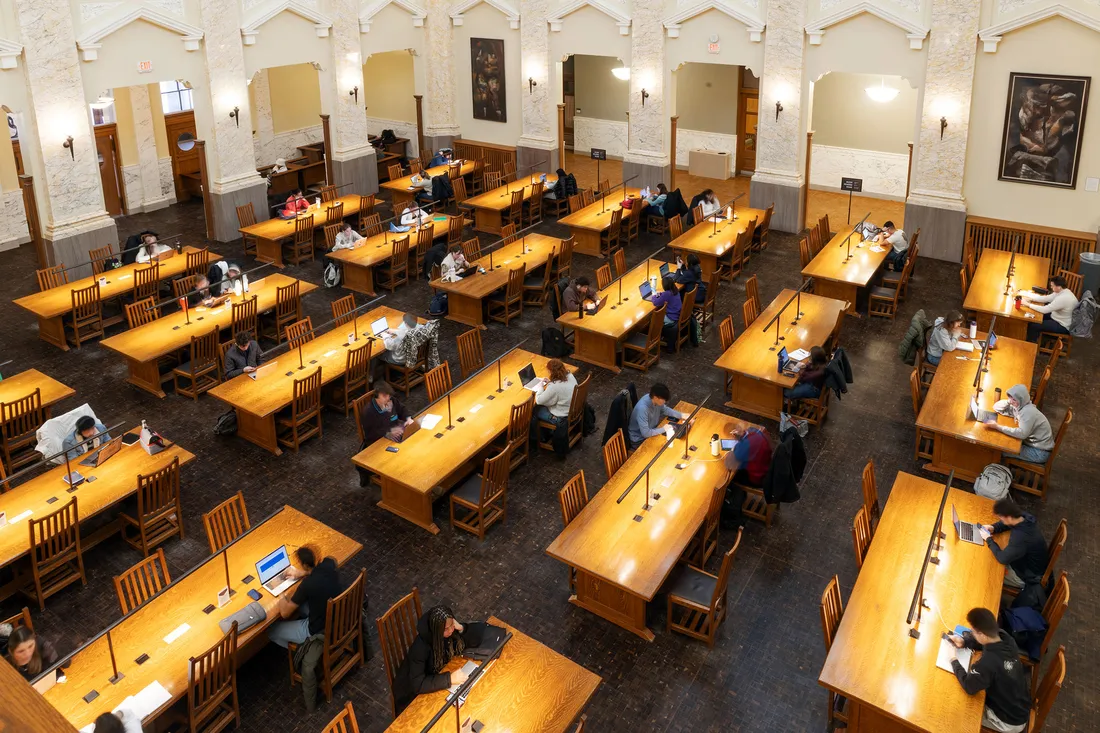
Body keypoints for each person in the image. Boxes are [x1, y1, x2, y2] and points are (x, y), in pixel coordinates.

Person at [946, 607, 1030, 732]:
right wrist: (964, 641)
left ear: (982, 634)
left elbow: (969, 685)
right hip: (1020, 706)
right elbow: (983, 643)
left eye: (973, 632)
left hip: (1008, 721)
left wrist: (953, 659)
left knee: (958, 714)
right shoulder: (1004, 637)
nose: (972, 634)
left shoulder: (987, 664)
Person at [392, 605, 482, 715]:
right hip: (412, 696)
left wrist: (462, 628)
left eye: (452, 625)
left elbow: (476, 639)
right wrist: (449, 678)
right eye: (446, 629)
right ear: (436, 629)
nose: (450, 631)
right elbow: (418, 684)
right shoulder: (420, 648)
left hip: (436, 676)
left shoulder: (448, 630)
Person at [268, 546, 342, 648]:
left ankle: (303, 651)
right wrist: (305, 572)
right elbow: (333, 559)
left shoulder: (307, 585)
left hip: (319, 630)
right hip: (340, 617)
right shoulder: (328, 565)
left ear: (305, 565)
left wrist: (280, 591)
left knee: (272, 630)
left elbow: (285, 613)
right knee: (301, 606)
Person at [978, 497, 1048, 590]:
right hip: (1030, 564)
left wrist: (988, 539)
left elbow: (1003, 558)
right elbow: (1007, 523)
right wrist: (993, 528)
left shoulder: (1020, 537)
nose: (1001, 521)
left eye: (1001, 519)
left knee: (987, 574)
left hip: (1027, 576)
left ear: (1009, 517)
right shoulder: (1023, 517)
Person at [355, 381, 414, 486]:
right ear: (377, 395)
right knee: (401, 457)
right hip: (379, 443)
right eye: (385, 396)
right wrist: (388, 433)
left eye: (389, 396)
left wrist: (408, 419)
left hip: (396, 435)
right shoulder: (368, 412)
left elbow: (402, 409)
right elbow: (372, 434)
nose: (388, 399)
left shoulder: (391, 401)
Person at [983, 384, 1054, 463]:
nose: (1011, 401)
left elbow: (1022, 434)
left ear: (1021, 399)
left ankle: (998, 471)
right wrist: (1008, 401)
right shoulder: (1020, 406)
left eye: (1014, 399)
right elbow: (996, 407)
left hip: (1040, 452)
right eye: (1010, 397)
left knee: (1000, 450)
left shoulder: (1027, 412)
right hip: (1033, 443)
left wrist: (997, 427)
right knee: (1004, 443)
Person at [1020, 276, 1078, 342]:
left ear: (1059, 287)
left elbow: (1045, 310)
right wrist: (1031, 299)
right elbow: (1047, 298)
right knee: (1034, 317)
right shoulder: (1063, 291)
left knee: (1034, 325)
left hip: (1063, 325)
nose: (1051, 287)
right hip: (1058, 316)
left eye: (1052, 286)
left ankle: (1031, 345)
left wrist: (1027, 304)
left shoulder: (1063, 298)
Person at [628, 383, 684, 448]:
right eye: (663, 400)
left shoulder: (654, 400)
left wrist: (682, 415)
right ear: (655, 397)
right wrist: (664, 429)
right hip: (639, 440)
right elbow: (646, 433)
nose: (664, 402)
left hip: (651, 431)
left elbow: (665, 410)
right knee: (665, 448)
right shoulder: (642, 409)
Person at [534, 358, 577, 425]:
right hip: (573, 409)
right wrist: (550, 382)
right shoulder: (570, 376)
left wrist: (540, 387)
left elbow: (539, 401)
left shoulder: (554, 386)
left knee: (535, 410)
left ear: (551, 372)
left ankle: (543, 433)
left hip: (563, 416)